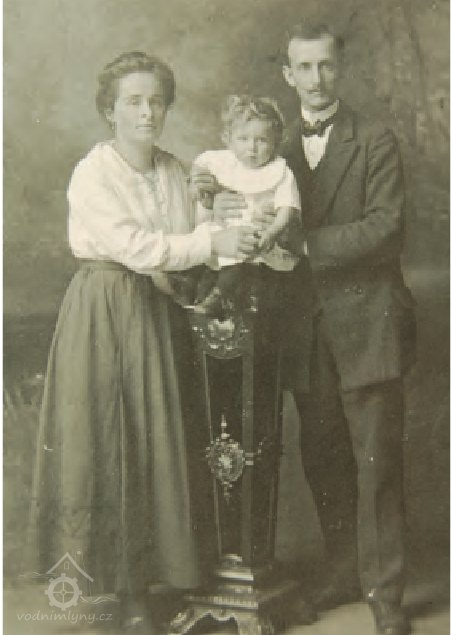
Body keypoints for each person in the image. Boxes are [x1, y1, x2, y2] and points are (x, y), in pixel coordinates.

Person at [191, 20, 416, 635]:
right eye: (304, 68)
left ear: (341, 69)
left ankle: (386, 595)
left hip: (368, 322)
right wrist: (213, 196)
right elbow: (219, 182)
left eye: (327, 66)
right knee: (324, 457)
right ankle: (343, 570)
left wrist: (304, 243)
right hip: (306, 328)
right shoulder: (271, 145)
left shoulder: (375, 140)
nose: (316, 79)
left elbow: (385, 228)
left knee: (376, 464)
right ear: (288, 75)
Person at [28, 51, 259, 634]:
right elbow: (138, 247)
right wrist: (211, 241)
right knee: (115, 440)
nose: (147, 112)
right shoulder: (93, 174)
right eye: (132, 101)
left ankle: (160, 581)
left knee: (159, 438)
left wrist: (227, 221)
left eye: (156, 101)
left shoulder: (176, 171)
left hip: (158, 312)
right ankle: (125, 592)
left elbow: (191, 239)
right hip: (105, 310)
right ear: (110, 110)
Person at [189, 94, 300, 315]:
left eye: (261, 140)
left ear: (275, 142)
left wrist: (272, 232)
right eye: (243, 139)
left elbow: (287, 209)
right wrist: (198, 186)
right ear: (228, 139)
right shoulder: (223, 161)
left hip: (258, 234)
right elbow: (200, 165)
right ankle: (198, 294)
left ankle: (217, 299)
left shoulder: (280, 171)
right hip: (226, 230)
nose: (252, 147)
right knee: (205, 255)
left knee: (240, 270)